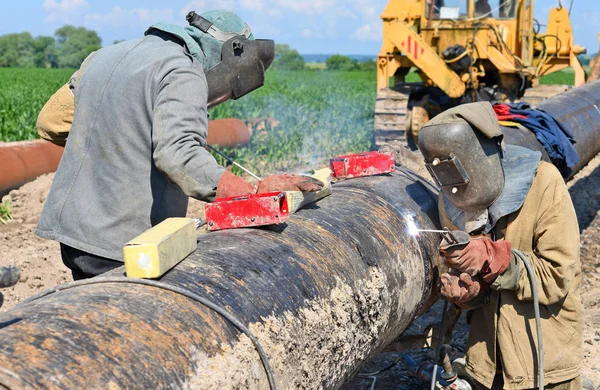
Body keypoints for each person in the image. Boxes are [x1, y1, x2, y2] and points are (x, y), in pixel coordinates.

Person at [35, 10, 323, 280]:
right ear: (231, 51)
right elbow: (179, 154)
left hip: (73, 231)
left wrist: (119, 141)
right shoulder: (183, 70)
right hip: (121, 239)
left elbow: (50, 121)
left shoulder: (106, 55)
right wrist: (252, 192)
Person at [418, 102, 582, 389]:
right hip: (488, 365)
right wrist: (468, 292)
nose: (454, 184)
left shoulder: (543, 183)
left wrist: (497, 258)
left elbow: (558, 277)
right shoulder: (453, 200)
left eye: (456, 170)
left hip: (545, 364)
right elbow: (481, 290)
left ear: (484, 153)